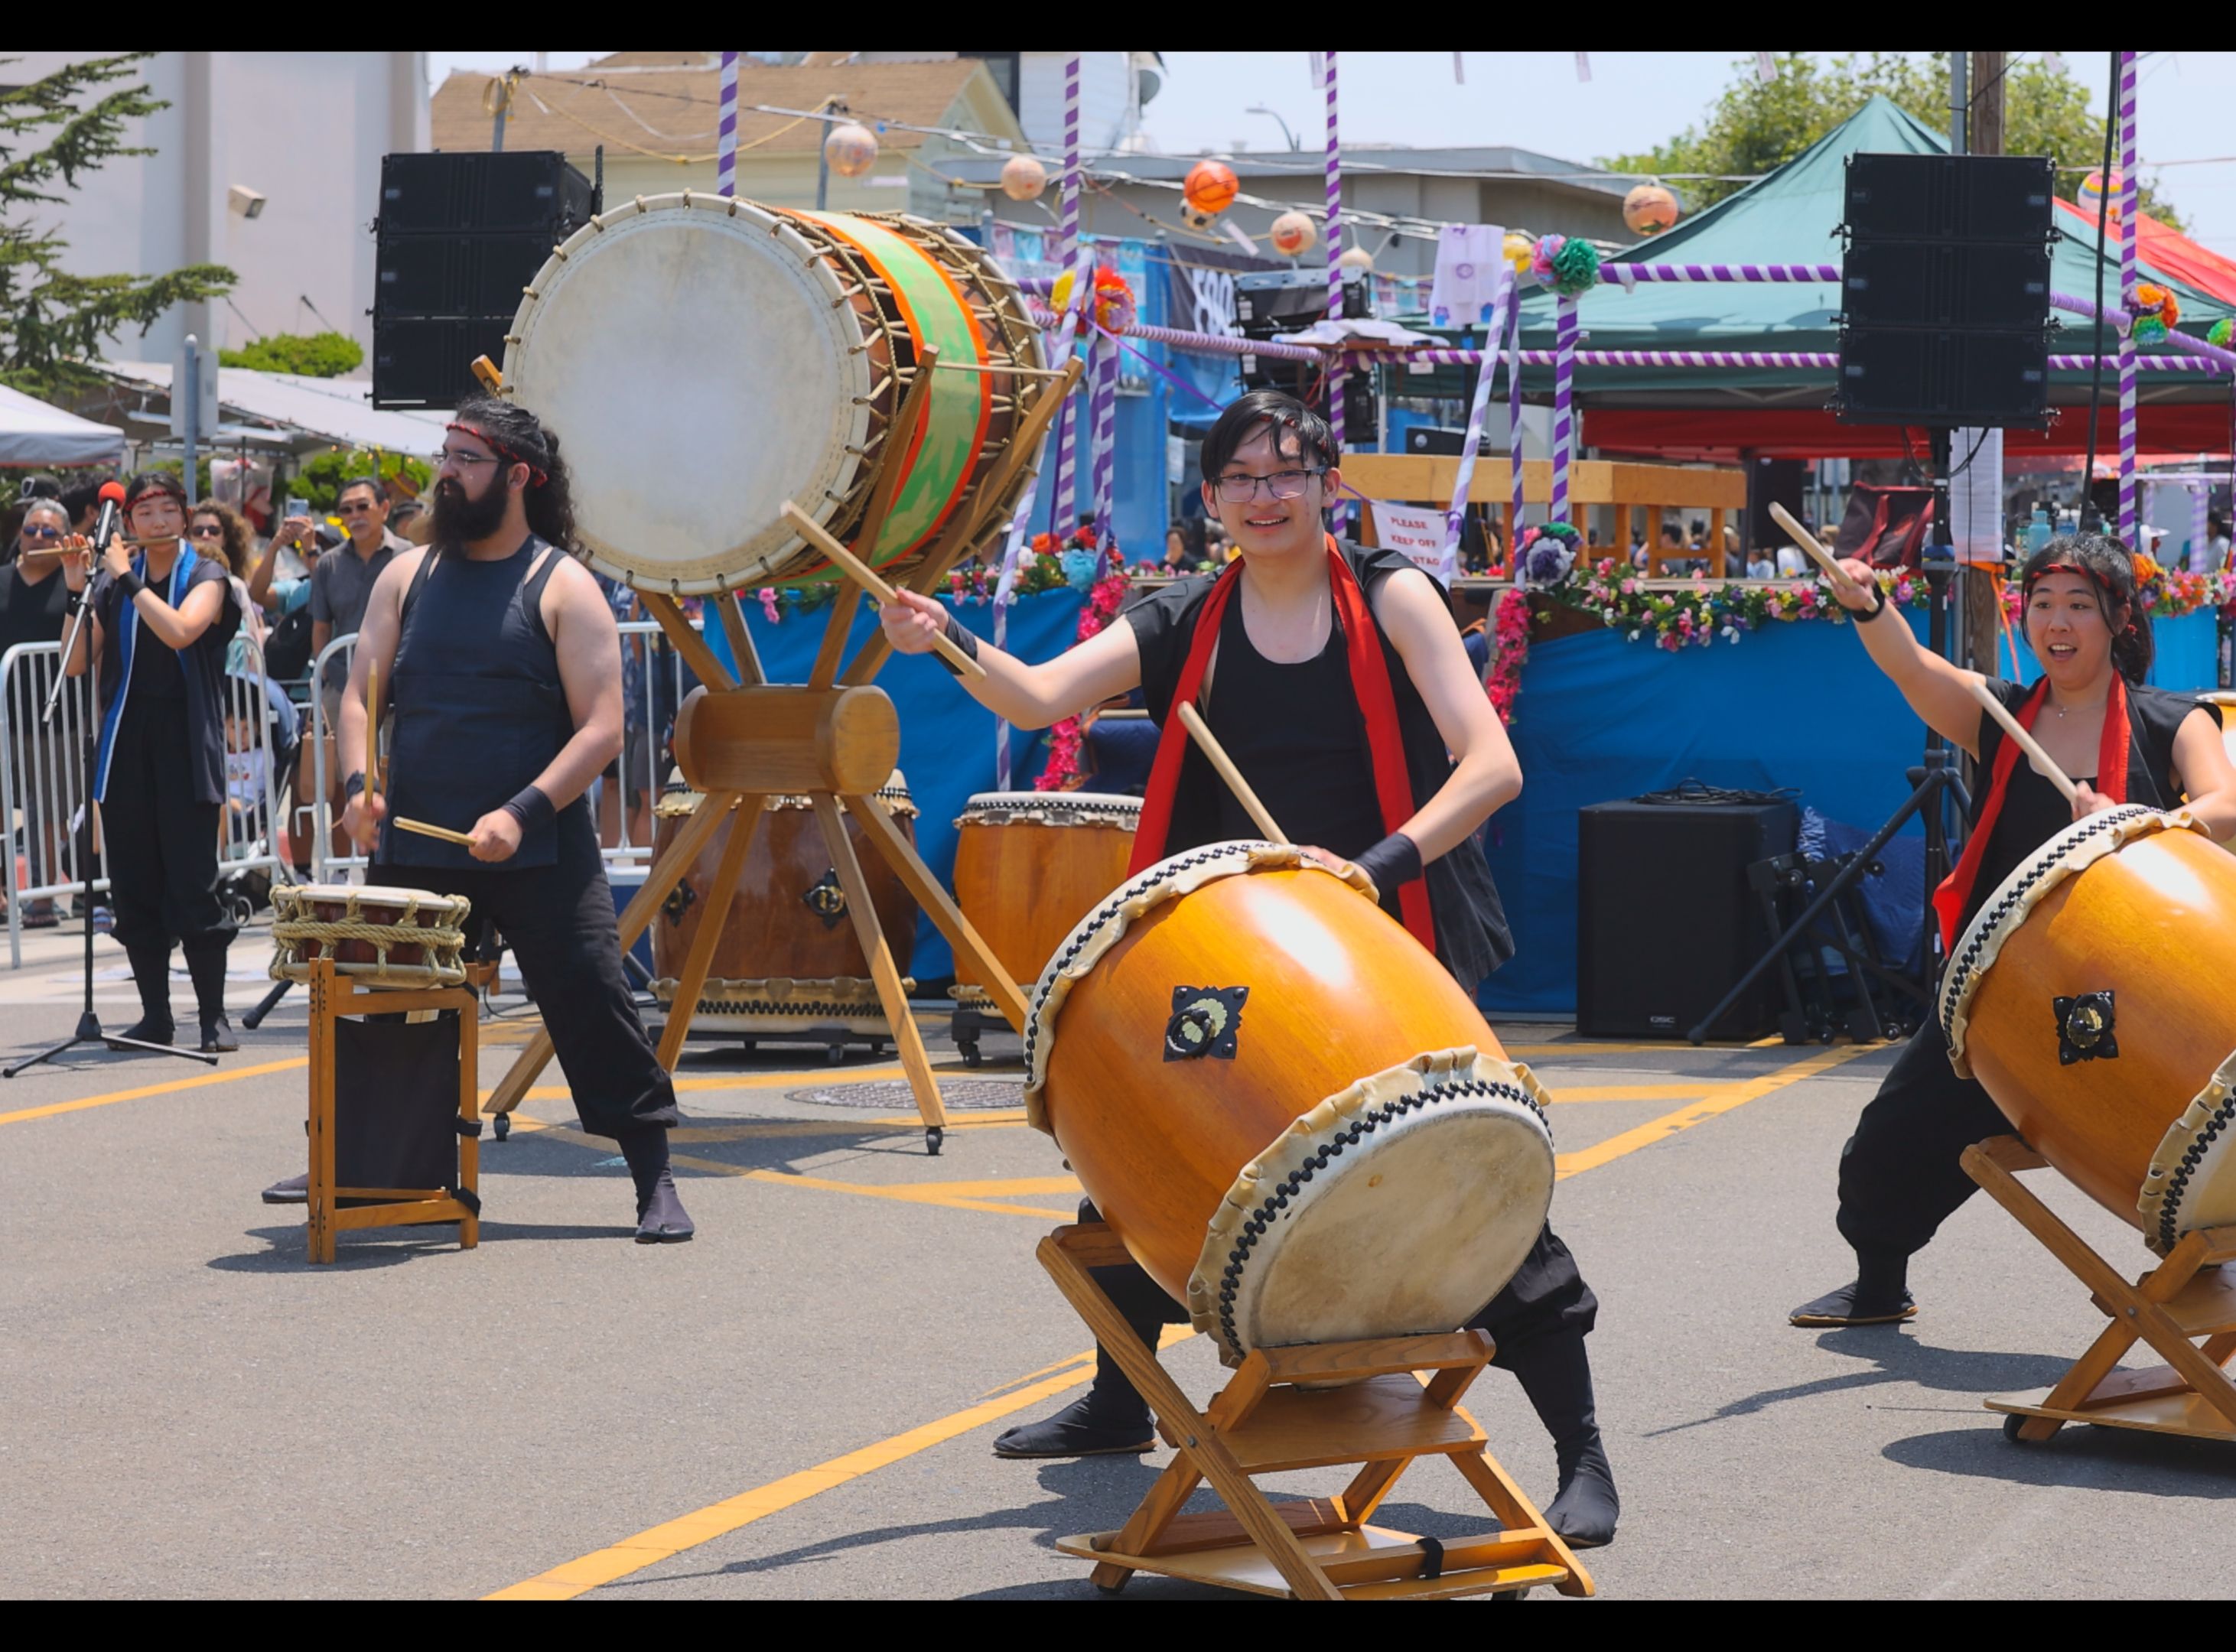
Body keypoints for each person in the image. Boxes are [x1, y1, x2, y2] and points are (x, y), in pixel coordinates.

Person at [878, 389, 1619, 1547]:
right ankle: (1120, 1399)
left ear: (1328, 482)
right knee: (1140, 1153)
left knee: (1459, 1173)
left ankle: (1580, 1450)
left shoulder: (1390, 597)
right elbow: (1036, 695)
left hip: (1383, 917)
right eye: (1239, 479)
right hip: (1237, 936)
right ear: (1210, 499)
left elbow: (1489, 768)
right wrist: (945, 639)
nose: (1264, 496)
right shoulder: (1184, 614)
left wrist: (1367, 869)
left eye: (1286, 473)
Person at [1791, 533, 2236, 1328]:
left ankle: (2209, 1274)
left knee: (2189, 1138)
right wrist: (1867, 605)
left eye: (2077, 605)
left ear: (2119, 619)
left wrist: (2135, 827)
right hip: (2007, 990)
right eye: (2040, 604)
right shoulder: (1999, 714)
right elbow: (1912, 669)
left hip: (2130, 990)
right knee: (1885, 1144)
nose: (2055, 622)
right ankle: (1879, 1282)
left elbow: (2227, 807)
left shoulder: (2171, 720)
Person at [313, 398, 693, 1242]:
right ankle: (359, 1166)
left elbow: (602, 727)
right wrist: (356, 785)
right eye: (445, 454)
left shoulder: (562, 584)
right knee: (388, 1002)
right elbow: (360, 696)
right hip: (418, 837)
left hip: (536, 841)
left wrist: (522, 813)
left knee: (593, 996)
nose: (447, 472)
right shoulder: (406, 575)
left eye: (467, 459)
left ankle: (652, 1177)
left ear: (519, 477)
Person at [59, 470, 243, 1052]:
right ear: (128, 522)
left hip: (185, 744)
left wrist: (124, 578)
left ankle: (213, 1016)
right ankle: (155, 1015)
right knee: (135, 885)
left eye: (168, 509)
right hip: (127, 743)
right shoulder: (114, 583)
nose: (157, 521)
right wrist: (74, 587)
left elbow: (182, 631)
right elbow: (76, 662)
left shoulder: (208, 574)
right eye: (145, 512)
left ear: (184, 517)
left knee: (193, 882)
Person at [4, 499, 83, 927]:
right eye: (31, 529)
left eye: (49, 532)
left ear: (65, 538)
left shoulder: (75, 586)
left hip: (59, 719)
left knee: (49, 812)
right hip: (4, 718)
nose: (38, 537)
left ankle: (42, 897)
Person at [309, 476, 408, 725]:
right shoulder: (328, 564)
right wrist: (329, 678)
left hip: (400, 693)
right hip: (342, 687)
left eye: (363, 506)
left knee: (393, 764)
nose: (355, 515)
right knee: (346, 765)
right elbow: (321, 628)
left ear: (384, 509)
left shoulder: (410, 557)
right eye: (346, 509)